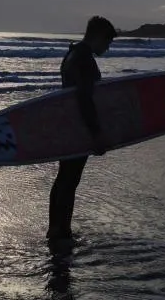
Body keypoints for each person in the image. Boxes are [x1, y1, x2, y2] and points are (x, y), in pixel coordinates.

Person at [47, 16, 117, 242]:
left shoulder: (71, 54)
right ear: (97, 36)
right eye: (107, 41)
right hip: (79, 129)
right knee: (69, 180)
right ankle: (61, 232)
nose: (108, 47)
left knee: (63, 179)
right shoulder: (84, 59)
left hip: (69, 127)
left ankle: (56, 229)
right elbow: (85, 99)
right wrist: (96, 134)